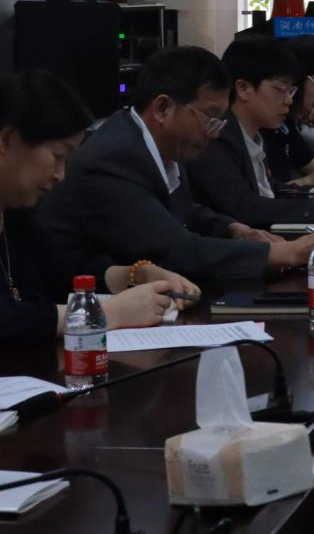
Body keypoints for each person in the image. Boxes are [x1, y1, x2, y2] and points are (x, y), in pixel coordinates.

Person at [39, 46, 314, 282]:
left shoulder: (163, 143)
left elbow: (182, 209)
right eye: (209, 117)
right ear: (163, 108)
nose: (215, 132)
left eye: (219, 120)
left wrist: (233, 229)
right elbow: (175, 250)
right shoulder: (114, 159)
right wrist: (283, 253)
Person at [0, 71, 198, 345]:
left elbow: (66, 272)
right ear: (6, 140)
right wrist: (107, 313)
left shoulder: (15, 216)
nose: (61, 175)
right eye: (58, 156)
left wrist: (135, 275)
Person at [189, 36, 314, 229]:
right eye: (280, 90)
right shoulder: (218, 137)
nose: (289, 100)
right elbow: (245, 207)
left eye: (291, 91)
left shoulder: (252, 134)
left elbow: (270, 190)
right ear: (243, 88)